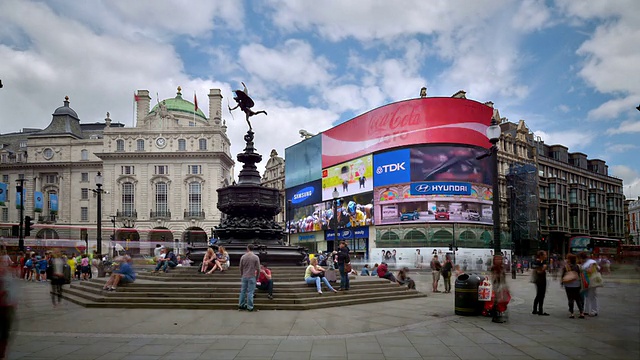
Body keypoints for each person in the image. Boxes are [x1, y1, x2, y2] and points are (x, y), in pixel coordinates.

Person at [1, 245, 18, 360]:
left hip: (6, 306)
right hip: (4, 306)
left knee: (5, 333)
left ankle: (2, 353)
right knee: (4, 332)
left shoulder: (8, 272)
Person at [561, 254, 584, 319]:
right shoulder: (578, 266)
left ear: (569, 259)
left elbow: (563, 275)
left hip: (568, 284)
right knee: (578, 298)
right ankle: (581, 312)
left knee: (570, 298)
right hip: (577, 284)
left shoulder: (566, 267)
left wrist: (562, 282)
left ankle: (572, 313)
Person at [238, 244, 260, 311]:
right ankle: (250, 307)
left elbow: (240, 267)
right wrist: (257, 277)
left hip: (244, 276)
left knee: (243, 291)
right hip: (252, 276)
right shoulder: (256, 257)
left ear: (247, 248)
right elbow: (258, 269)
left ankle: (241, 305)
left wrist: (242, 274)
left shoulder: (243, 257)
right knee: (250, 292)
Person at [490, 255, 510, 323]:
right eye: (497, 259)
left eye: (500, 259)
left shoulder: (501, 267)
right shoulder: (494, 268)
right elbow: (494, 278)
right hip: (497, 285)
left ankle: (500, 314)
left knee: (502, 301)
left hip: (502, 285)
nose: (499, 261)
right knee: (497, 301)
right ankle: (495, 316)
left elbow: (503, 277)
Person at [579, 252, 600, 317]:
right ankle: (587, 310)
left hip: (592, 280)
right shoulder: (586, 263)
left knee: (592, 295)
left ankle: (594, 310)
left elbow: (591, 270)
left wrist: (583, 270)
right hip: (586, 281)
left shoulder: (591, 262)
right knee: (587, 295)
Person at [532, 250, 549, 316]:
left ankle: (536, 309)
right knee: (540, 294)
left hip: (541, 280)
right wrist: (543, 268)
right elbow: (538, 271)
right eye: (545, 255)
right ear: (541, 255)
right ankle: (539, 310)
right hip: (539, 280)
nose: (546, 256)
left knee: (540, 295)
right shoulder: (537, 262)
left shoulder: (542, 261)